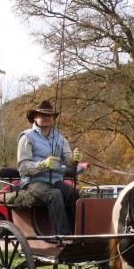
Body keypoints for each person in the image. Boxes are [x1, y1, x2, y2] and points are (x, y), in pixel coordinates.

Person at [17, 100, 82, 235]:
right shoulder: (27, 137)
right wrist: (43, 164)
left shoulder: (60, 138)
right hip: (34, 181)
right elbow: (22, 167)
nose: (46, 118)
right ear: (35, 117)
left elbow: (68, 160)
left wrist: (74, 159)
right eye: (42, 115)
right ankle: (63, 236)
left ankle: (79, 232)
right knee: (54, 195)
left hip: (56, 181)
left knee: (75, 194)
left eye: (49, 115)